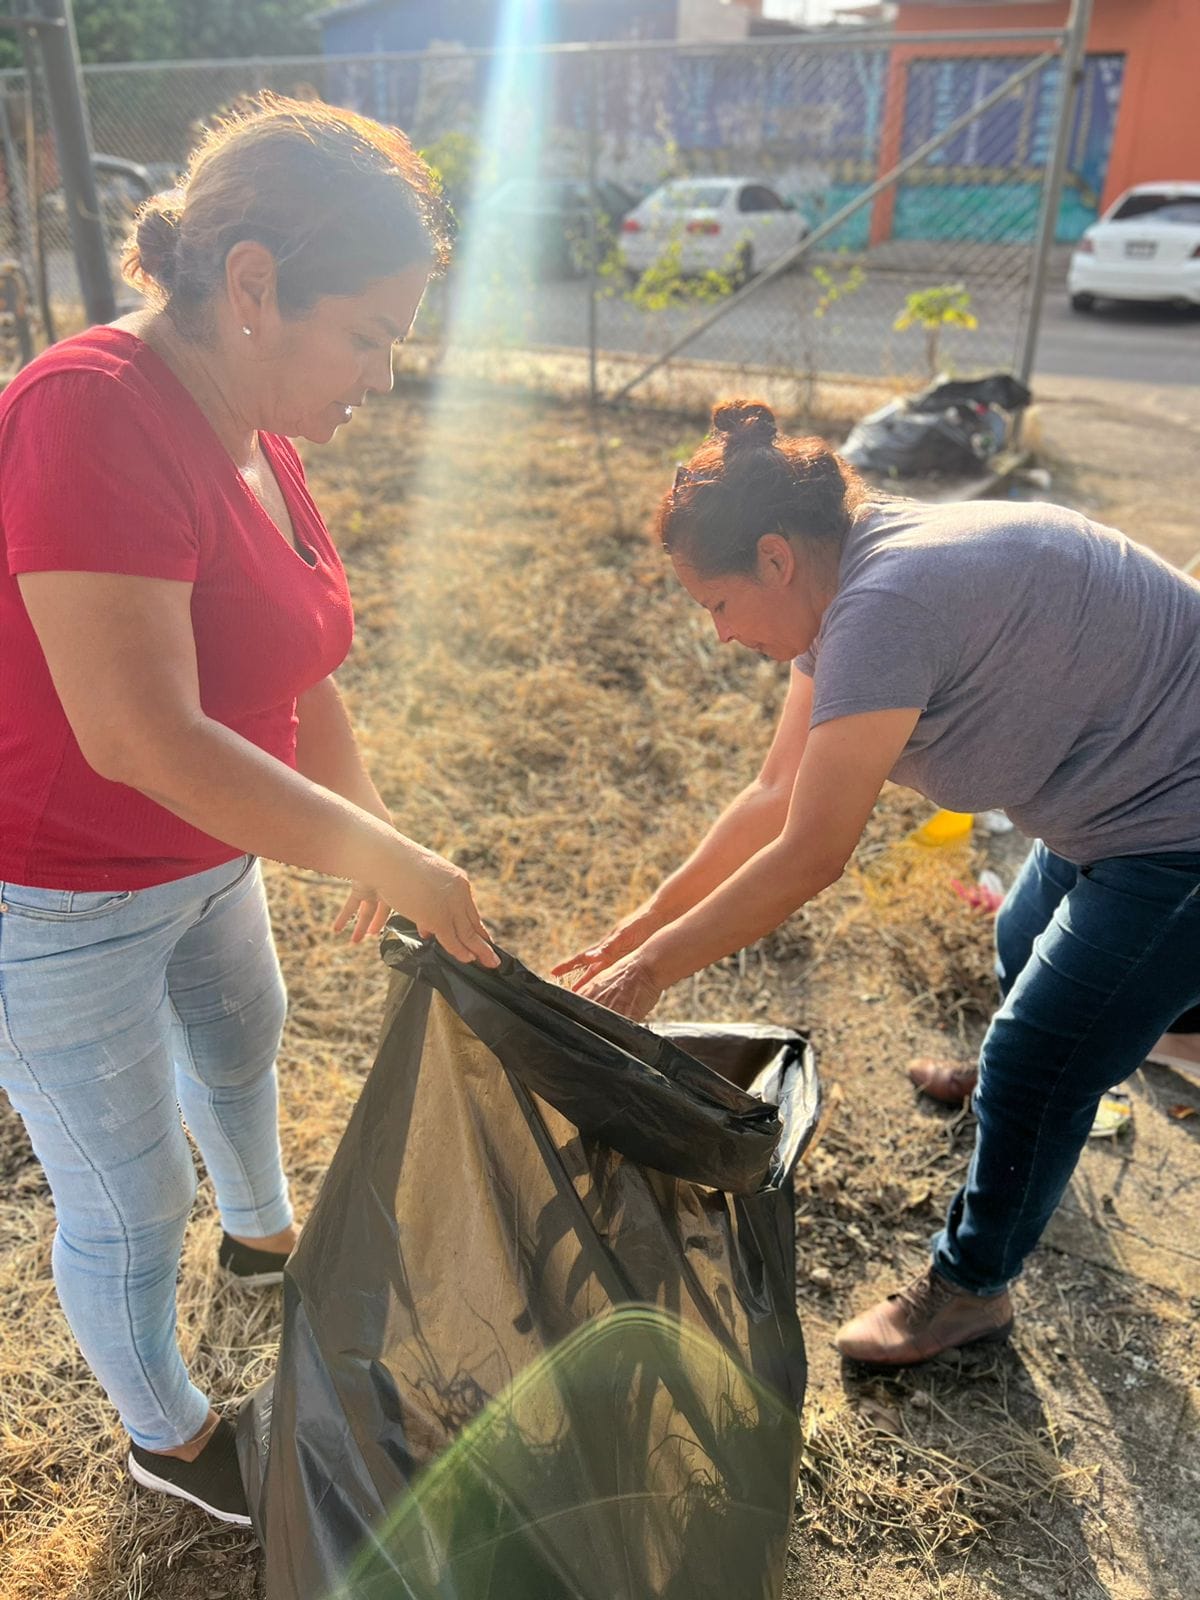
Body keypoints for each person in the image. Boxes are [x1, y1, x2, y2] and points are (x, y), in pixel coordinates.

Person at [0, 96, 498, 1527]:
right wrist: (387, 858)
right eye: (371, 336)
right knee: (126, 1193)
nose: (381, 380)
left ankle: (266, 1230)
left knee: (244, 1036)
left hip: (214, 856)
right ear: (254, 286)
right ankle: (165, 1432)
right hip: (59, 892)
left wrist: (370, 824)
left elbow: (297, 665)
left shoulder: (257, 431)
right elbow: (139, 732)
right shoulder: (89, 412)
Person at [556, 397, 1200, 1369]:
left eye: (718, 605)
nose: (721, 635)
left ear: (775, 556)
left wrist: (651, 972)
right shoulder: (845, 582)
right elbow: (773, 794)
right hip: (1113, 783)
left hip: (1177, 820)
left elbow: (812, 856)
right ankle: (1019, 1096)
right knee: (1023, 946)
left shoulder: (884, 607)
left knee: (1041, 1056)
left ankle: (969, 1290)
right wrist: (635, 932)